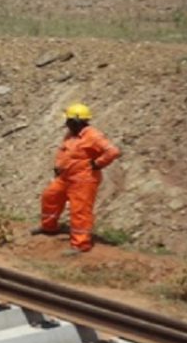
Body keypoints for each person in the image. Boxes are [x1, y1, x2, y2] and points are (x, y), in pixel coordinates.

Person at [35, 103, 122, 254]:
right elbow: (64, 151)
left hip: (83, 180)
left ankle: (80, 244)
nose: (66, 123)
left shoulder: (93, 136)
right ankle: (49, 227)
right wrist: (58, 165)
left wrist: (98, 164)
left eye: (68, 120)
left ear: (77, 121)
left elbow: (112, 151)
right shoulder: (71, 134)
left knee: (80, 211)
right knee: (50, 196)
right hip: (65, 177)